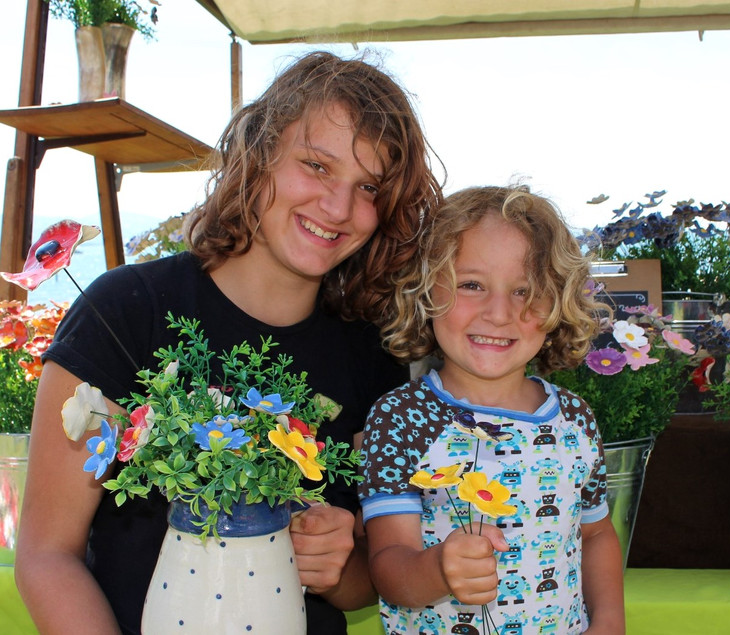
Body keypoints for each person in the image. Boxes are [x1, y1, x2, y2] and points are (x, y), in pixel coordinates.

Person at [15, 50, 443, 635]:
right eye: (317, 166)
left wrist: (338, 565)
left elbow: (368, 582)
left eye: (368, 186)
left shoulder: (373, 359)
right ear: (260, 153)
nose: (339, 207)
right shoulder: (124, 311)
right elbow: (46, 556)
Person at [359, 185, 627, 634]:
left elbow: (596, 533)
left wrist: (610, 620)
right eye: (471, 285)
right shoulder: (401, 418)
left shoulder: (575, 419)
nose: (499, 312)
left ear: (558, 303)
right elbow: (388, 567)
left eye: (525, 290)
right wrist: (438, 569)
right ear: (425, 288)